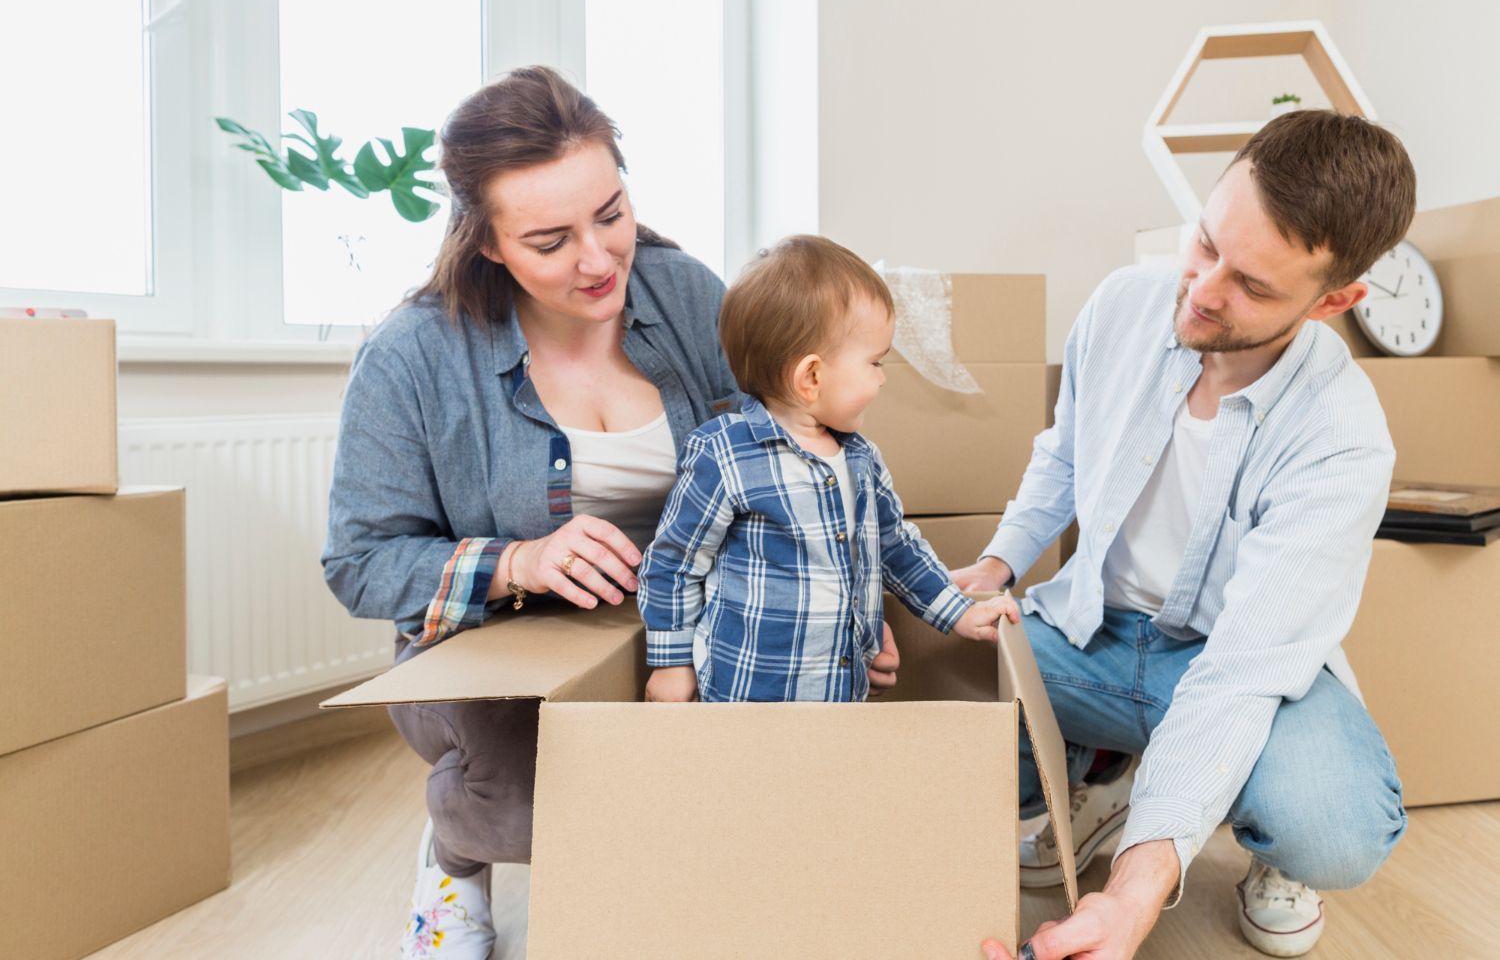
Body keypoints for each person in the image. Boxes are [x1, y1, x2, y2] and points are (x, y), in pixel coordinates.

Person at [322, 67, 902, 960]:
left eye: (611, 214)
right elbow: (360, 562)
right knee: (526, 807)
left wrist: (853, 603)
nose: (598, 260)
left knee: (743, 791)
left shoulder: (690, 296)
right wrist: (517, 562)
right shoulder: (413, 356)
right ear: (486, 244)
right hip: (494, 649)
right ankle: (455, 853)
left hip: (681, 622)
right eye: (551, 241)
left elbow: (802, 444)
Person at [957, 110, 1415, 960]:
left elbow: (1241, 674)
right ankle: (1102, 773)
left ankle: (1214, 833)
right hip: (1087, 633)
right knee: (925, 654)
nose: (1203, 290)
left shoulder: (1342, 437)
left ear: (1334, 301)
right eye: (1205, 243)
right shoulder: (1123, 306)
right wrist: (992, 568)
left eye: (1253, 285)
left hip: (1234, 666)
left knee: (1336, 829)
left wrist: (1129, 901)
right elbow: (1064, 455)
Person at [638, 235, 1019, 703]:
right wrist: (671, 662)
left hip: (841, 696)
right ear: (812, 376)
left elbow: (897, 548)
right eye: (875, 362)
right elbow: (673, 563)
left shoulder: (861, 459)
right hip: (745, 700)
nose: (882, 378)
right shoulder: (724, 456)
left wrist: (958, 612)